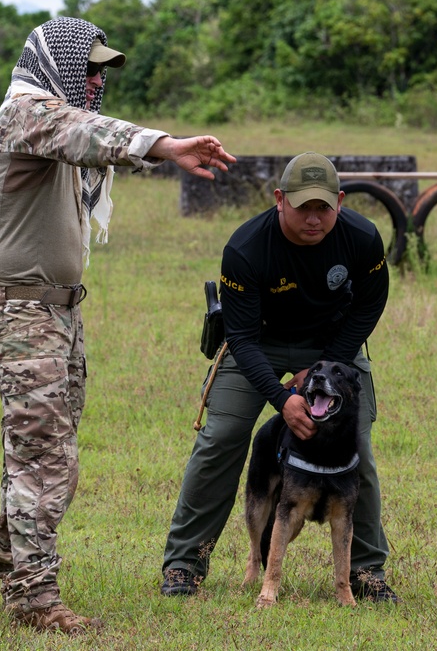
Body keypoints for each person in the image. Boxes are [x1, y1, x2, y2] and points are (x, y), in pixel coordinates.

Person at [0, 16, 235, 635]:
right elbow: (85, 131)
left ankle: (15, 557)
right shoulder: (26, 115)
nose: (96, 79)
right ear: (55, 62)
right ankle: (33, 599)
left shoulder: (50, 126)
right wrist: (164, 145)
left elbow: (83, 135)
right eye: (88, 67)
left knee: (39, 449)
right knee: (46, 458)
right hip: (24, 315)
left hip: (55, 312)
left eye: (102, 70)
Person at [160, 152, 399, 603]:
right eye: (303, 206)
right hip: (260, 345)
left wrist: (327, 363)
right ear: (279, 200)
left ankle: (367, 572)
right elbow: (242, 339)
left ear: (340, 202)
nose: (314, 218)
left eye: (323, 207)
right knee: (223, 436)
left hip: (332, 348)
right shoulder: (246, 248)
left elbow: (369, 305)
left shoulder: (363, 239)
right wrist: (282, 397)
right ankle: (184, 562)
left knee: (359, 448)